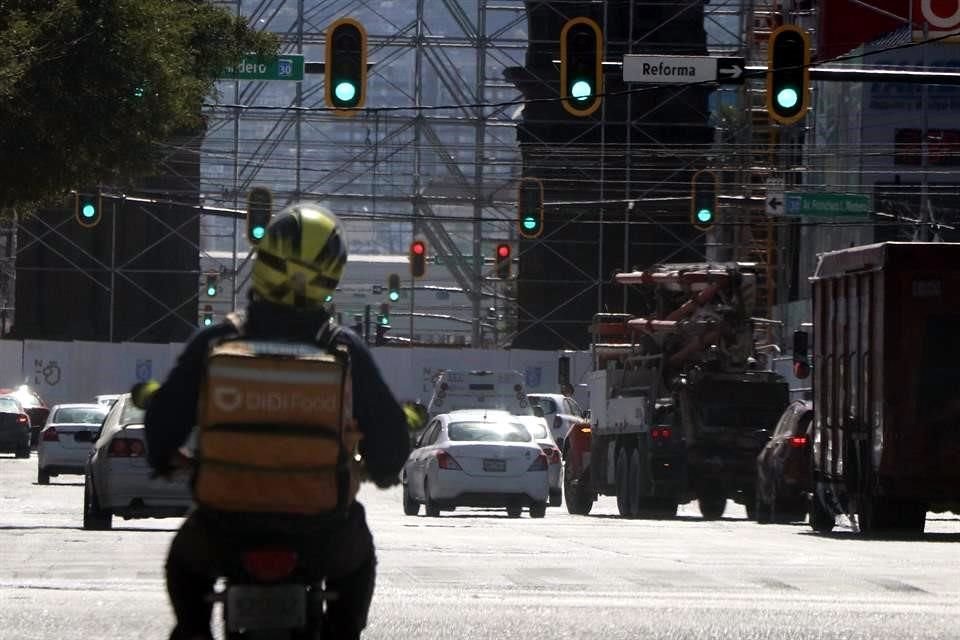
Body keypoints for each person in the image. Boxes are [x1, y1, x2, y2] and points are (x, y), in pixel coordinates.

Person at [144, 202, 410, 640]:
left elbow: (164, 419)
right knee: (358, 564)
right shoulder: (343, 350)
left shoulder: (218, 340)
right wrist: (381, 470)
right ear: (332, 276)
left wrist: (163, 459)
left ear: (264, 260)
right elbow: (390, 443)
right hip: (321, 531)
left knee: (185, 569)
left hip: (225, 527)